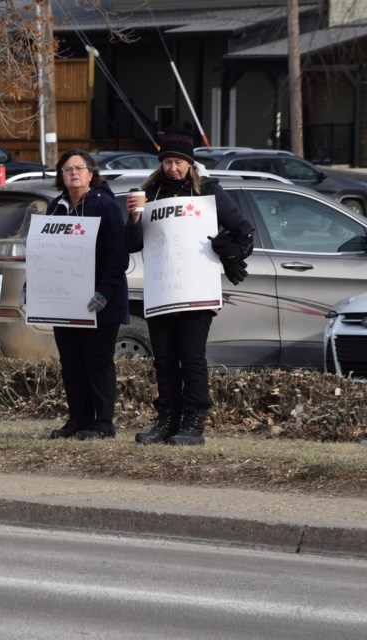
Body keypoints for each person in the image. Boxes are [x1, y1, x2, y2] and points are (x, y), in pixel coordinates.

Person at [125, 121, 254, 446]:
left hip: (197, 290)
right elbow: (132, 244)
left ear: (189, 163)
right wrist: (135, 219)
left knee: (192, 357)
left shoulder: (208, 190)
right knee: (165, 359)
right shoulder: (150, 191)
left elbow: (243, 230)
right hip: (162, 288)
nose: (172, 168)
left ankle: (194, 423)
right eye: (167, 162)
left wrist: (229, 250)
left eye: (178, 162)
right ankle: (167, 421)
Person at [42, 150, 129, 440]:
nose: (74, 173)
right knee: (72, 364)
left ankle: (103, 424)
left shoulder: (106, 206)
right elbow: (46, 254)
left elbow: (118, 256)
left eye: (79, 168)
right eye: (67, 169)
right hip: (65, 303)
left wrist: (103, 293)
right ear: (61, 176)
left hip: (100, 303)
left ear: (91, 174)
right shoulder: (55, 207)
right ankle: (78, 421)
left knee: (98, 362)